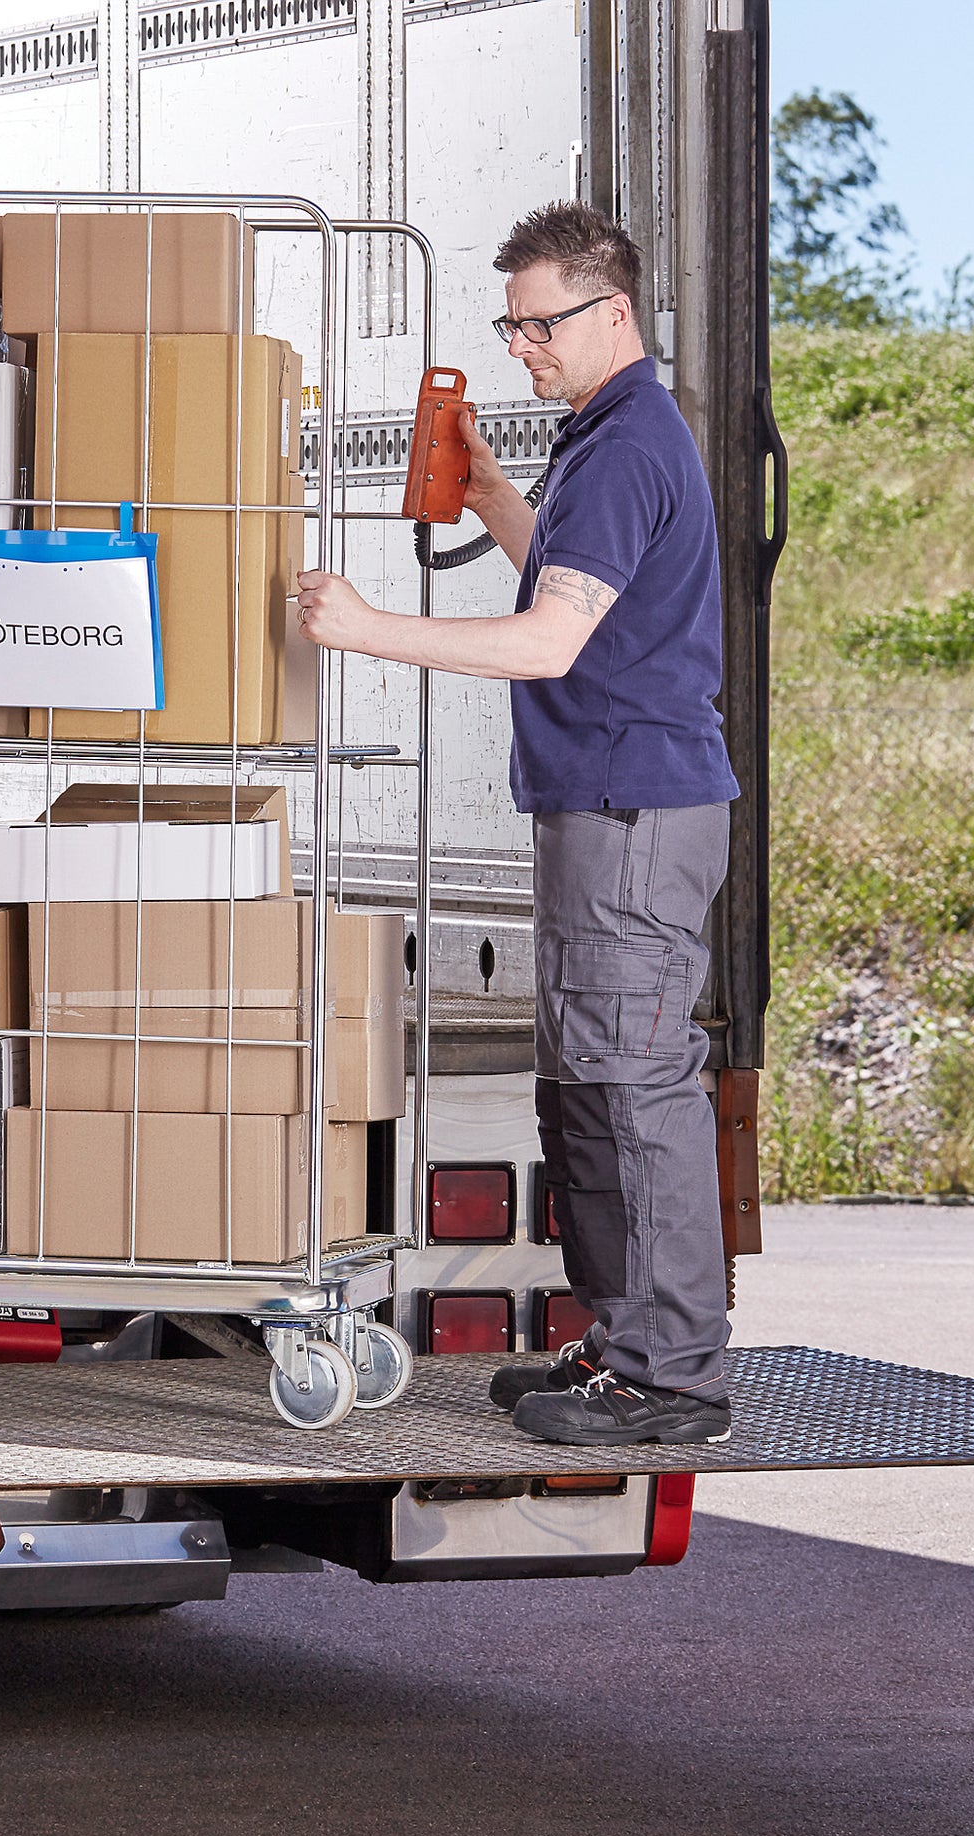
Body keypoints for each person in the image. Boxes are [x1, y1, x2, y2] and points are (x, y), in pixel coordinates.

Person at [295, 201, 739, 1448]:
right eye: (510, 326)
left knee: (632, 1089)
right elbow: (573, 575)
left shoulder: (629, 442)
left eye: (539, 324)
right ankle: (622, 1344)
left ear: (611, 311)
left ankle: (670, 1376)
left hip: (630, 811)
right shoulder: (607, 434)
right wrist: (490, 490)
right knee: (585, 1084)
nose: (521, 347)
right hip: (601, 804)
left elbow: (550, 640)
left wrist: (366, 628)